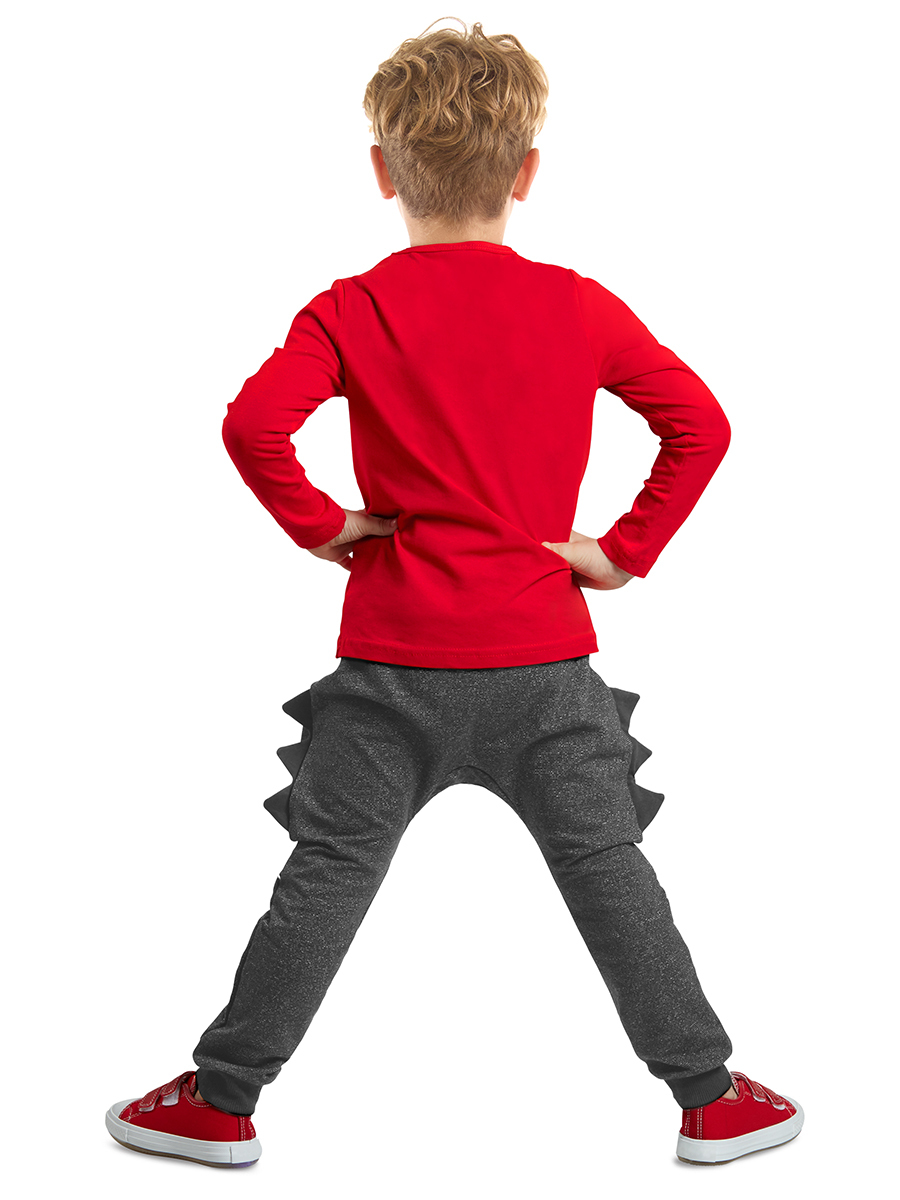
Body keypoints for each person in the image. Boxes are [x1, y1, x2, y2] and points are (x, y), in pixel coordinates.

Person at [105, 17, 803, 1170]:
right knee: (609, 871)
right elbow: (701, 423)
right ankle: (712, 1100)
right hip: (545, 668)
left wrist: (327, 527)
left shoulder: (353, 308)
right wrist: (620, 552)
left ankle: (222, 1104)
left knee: (328, 874)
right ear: (527, 172)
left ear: (382, 171)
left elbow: (253, 426)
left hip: (393, 668)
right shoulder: (579, 306)